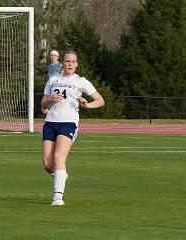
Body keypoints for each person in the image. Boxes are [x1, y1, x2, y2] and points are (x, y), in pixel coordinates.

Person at [41, 50, 105, 206]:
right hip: (50, 122)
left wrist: (86, 104)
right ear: (62, 63)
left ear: (76, 65)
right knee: (48, 165)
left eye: (73, 61)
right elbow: (43, 105)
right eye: (67, 61)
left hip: (68, 122)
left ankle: (58, 197)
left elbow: (100, 100)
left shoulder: (81, 81)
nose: (69, 64)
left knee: (58, 158)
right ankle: (61, 174)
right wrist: (50, 99)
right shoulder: (53, 80)